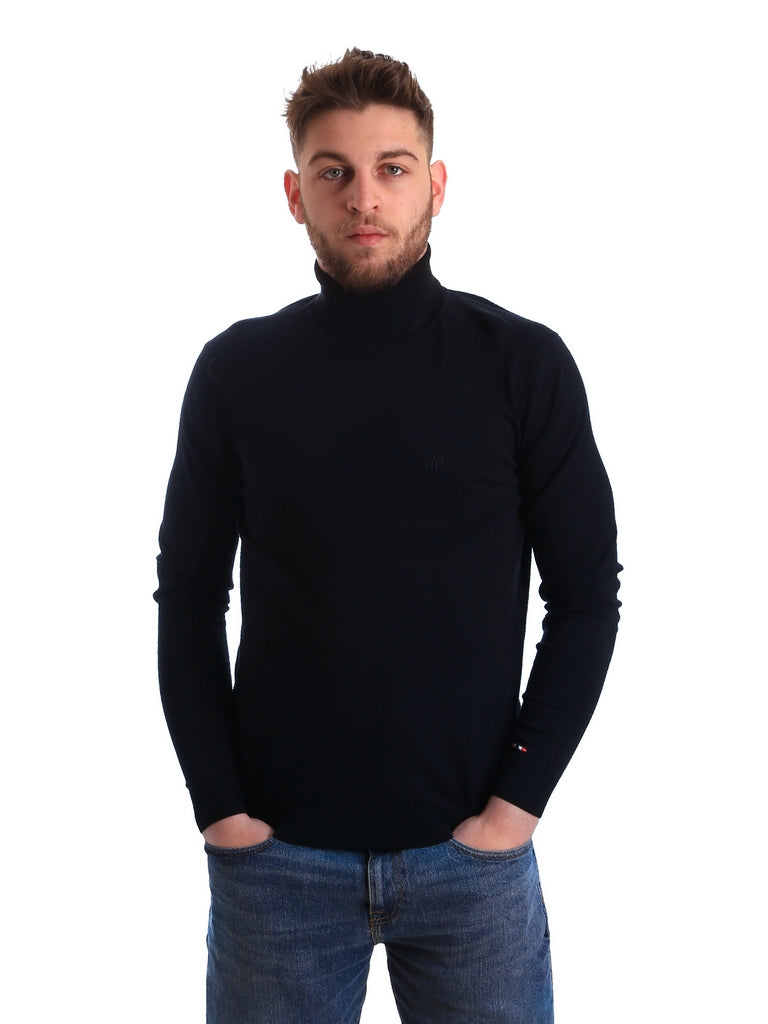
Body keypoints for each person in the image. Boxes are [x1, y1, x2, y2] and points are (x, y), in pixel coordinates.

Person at [155, 47, 621, 1024]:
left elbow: (586, 596)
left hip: (472, 869)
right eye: (333, 171)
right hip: (277, 868)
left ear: (435, 185)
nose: (364, 197)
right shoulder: (238, 372)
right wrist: (222, 812)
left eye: (392, 168)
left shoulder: (521, 365)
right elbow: (190, 599)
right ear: (296, 194)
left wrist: (516, 807)